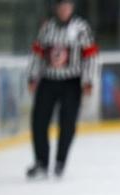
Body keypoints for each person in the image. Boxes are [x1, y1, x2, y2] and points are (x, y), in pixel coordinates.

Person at [25, 0, 98, 179]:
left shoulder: (81, 28)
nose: (65, 10)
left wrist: (88, 80)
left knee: (67, 123)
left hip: (71, 82)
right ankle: (41, 162)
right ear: (57, 8)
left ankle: (60, 161)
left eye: (68, 7)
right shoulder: (47, 28)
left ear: (72, 8)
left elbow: (90, 55)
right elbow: (37, 53)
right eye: (62, 7)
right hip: (48, 80)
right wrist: (33, 76)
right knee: (39, 121)